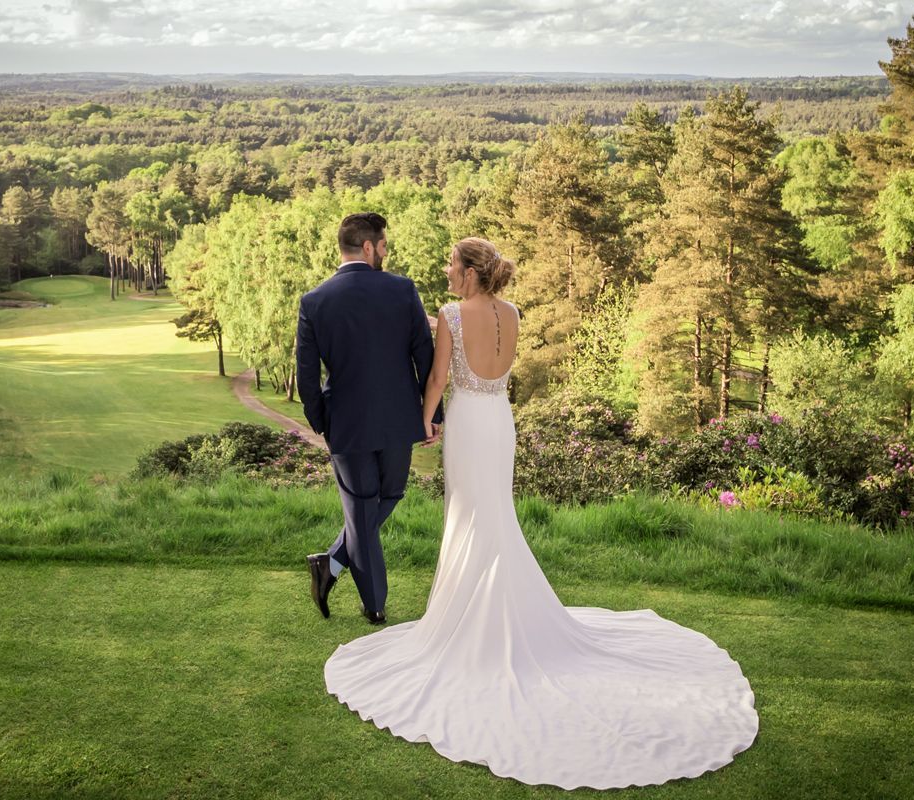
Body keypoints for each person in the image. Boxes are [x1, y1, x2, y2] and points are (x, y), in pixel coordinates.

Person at [322, 237, 759, 789]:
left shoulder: (451, 315)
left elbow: (436, 380)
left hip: (468, 424)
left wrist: (425, 422)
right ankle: (498, 610)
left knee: (472, 516)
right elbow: (498, 375)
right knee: (493, 515)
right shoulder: (514, 312)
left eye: (453, 265)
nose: (447, 271)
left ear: (471, 273)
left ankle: (474, 625)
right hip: (500, 422)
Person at [296, 212, 442, 626]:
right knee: (373, 505)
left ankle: (331, 563)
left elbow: (306, 375)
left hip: (348, 423)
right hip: (398, 419)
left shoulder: (314, 301)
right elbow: (424, 357)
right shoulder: (402, 290)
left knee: (375, 504)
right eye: (383, 245)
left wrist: (321, 421)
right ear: (367, 247)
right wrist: (432, 415)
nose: (386, 252)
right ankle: (374, 603)